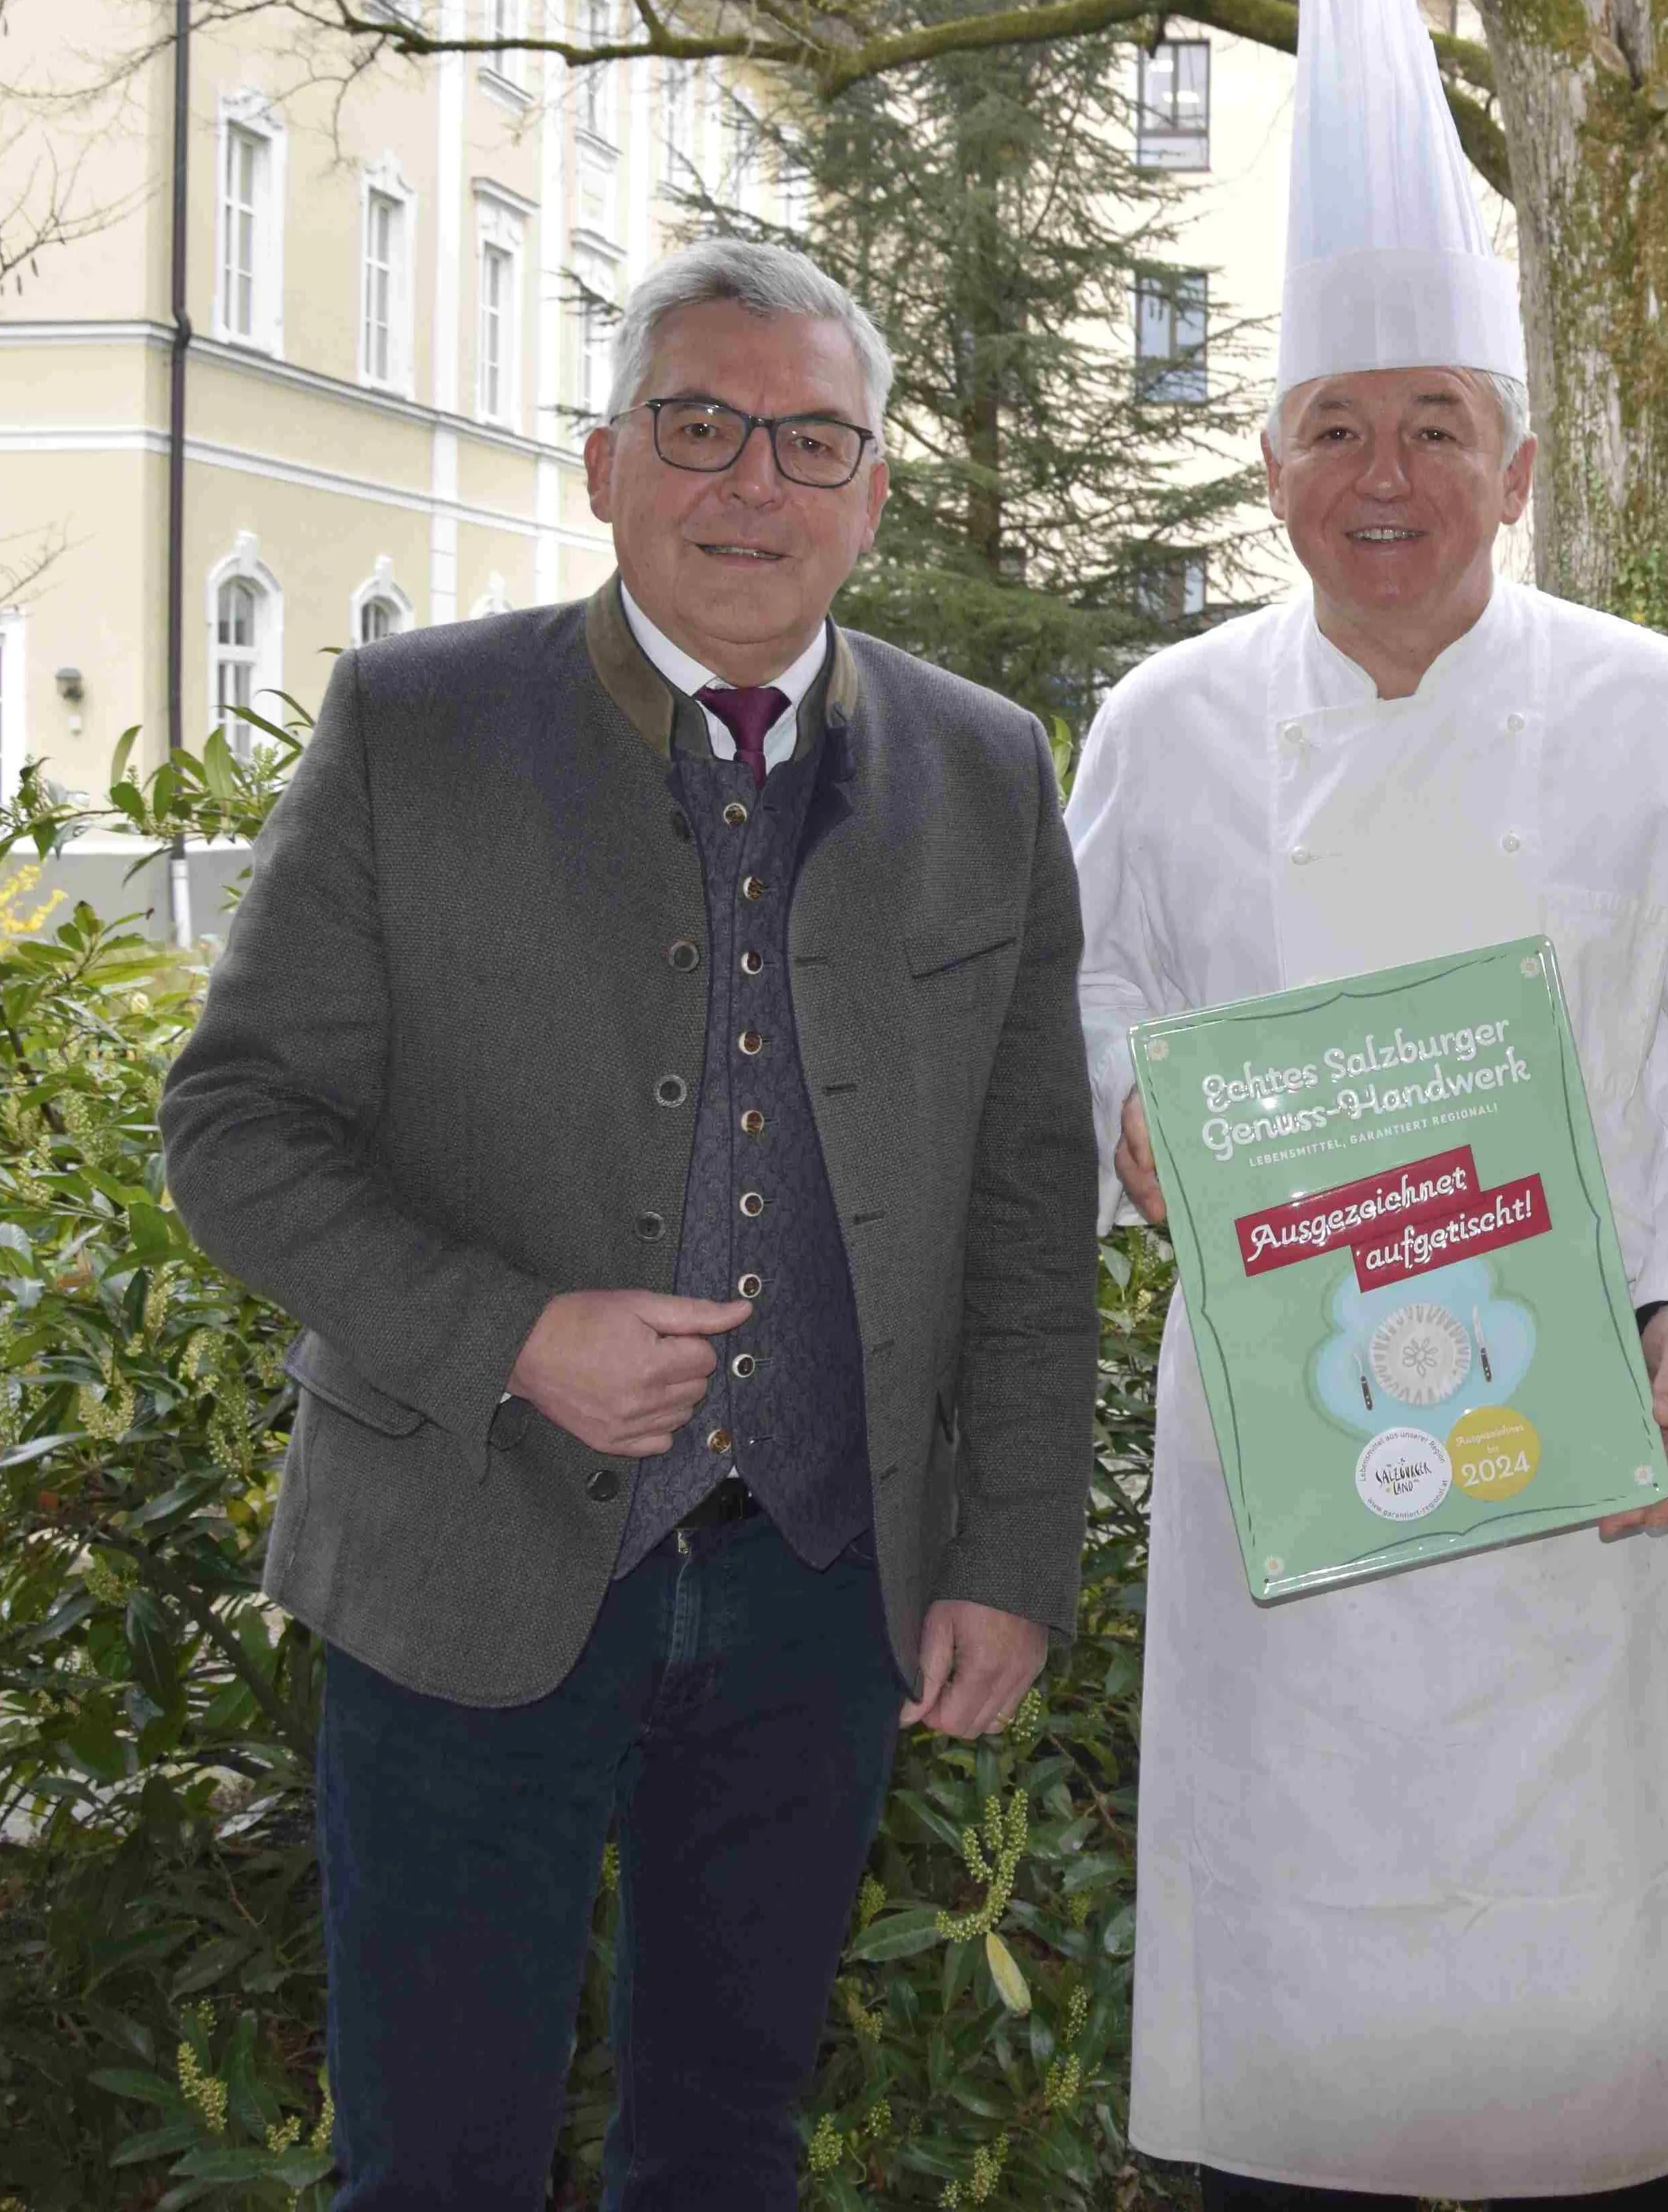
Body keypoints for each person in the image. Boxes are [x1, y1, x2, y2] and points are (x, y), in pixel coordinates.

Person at [159, 239, 1101, 2208]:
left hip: (821, 1594)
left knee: (724, 2151)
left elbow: (1026, 1204)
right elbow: (233, 1125)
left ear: (874, 494)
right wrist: (509, 1330)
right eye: (701, 427)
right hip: (458, 1562)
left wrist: (1007, 1554)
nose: (752, 484)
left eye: (810, 441)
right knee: (435, 2169)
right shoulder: (416, 727)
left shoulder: (989, 771)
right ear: (605, 465)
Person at [1069, 0, 1668, 2210]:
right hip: (1275, 1499)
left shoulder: (1663, 715)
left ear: (1514, 458)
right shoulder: (1164, 724)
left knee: (1571, 2072)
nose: (1381, 476)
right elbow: (1088, 1003)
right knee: (1293, 2099)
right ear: (1268, 459)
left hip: (1571, 1457)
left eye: (1429, 426)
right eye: (1334, 427)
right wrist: (1135, 1119)